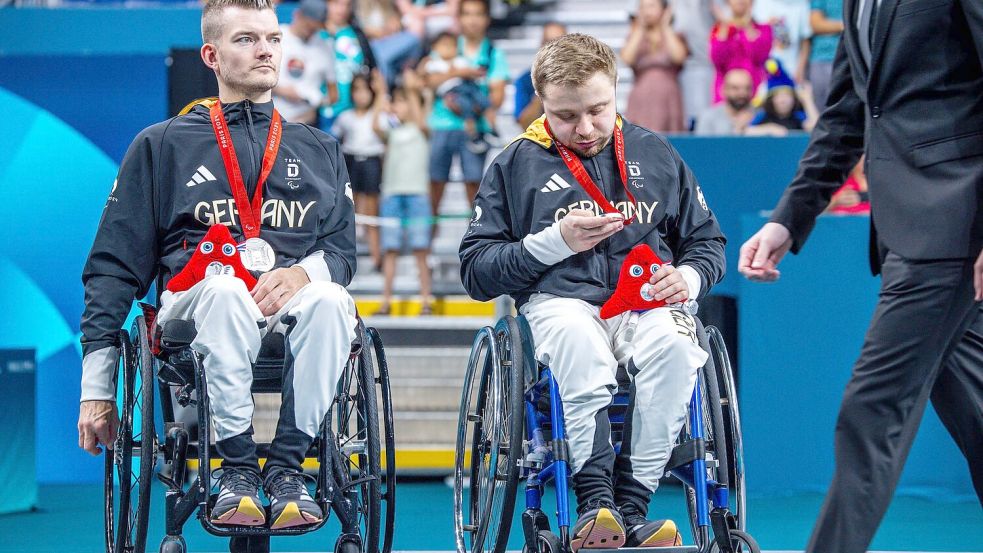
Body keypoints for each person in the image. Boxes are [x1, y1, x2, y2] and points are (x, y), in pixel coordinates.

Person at [77, 2, 358, 552]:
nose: (265, 51)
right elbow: (113, 267)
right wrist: (96, 389)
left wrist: (302, 273)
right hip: (194, 309)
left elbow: (342, 255)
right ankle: (235, 470)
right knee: (227, 288)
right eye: (246, 39)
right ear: (211, 55)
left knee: (330, 298)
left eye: (273, 39)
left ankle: (283, 469)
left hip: (287, 313)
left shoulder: (320, 148)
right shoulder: (161, 145)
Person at [460, 33, 726, 551]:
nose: (584, 128)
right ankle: (594, 501)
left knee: (677, 349)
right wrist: (550, 244)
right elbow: (476, 271)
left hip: (645, 302)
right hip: (561, 302)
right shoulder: (514, 166)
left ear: (616, 92)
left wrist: (690, 278)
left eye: (597, 110)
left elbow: (706, 242)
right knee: (581, 350)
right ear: (541, 104)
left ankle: (631, 507)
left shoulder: (656, 153)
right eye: (565, 116)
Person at [738, 1, 983, 551]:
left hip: (953, 221)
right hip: (909, 228)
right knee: (975, 411)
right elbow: (850, 112)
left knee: (870, 412)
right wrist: (788, 219)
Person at [426, 0, 508, 232]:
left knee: (473, 184)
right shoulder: (447, 43)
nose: (472, 20)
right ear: (459, 18)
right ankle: (429, 237)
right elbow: (428, 80)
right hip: (442, 126)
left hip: (474, 128)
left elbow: (498, 97)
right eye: (467, 14)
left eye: (478, 14)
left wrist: (471, 105)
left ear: (487, 19)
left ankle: (474, 237)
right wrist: (461, 73)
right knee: (435, 183)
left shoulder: (493, 53)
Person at [373, 69, 434, 315]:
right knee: (391, 249)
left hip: (418, 193)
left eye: (401, 102)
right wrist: (380, 96)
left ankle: (425, 299)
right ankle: (386, 299)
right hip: (392, 193)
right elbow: (374, 125)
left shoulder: (422, 129)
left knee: (421, 249)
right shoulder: (392, 132)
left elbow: (419, 116)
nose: (396, 106)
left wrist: (410, 90)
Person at [331, 72, 387, 270]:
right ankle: (346, 252)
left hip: (372, 161)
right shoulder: (345, 117)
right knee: (349, 207)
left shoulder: (379, 115)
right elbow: (335, 140)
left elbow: (383, 130)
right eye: (356, 90)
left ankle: (376, 257)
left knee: (371, 211)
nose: (361, 95)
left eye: (365, 90)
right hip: (351, 160)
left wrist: (381, 93)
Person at [622, 0, 688, 133]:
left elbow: (679, 57)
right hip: (641, 98)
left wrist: (665, 26)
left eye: (651, 6)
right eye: (642, 8)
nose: (647, 11)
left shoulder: (675, 35)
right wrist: (639, 28)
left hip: (668, 98)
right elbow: (627, 58)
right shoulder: (635, 36)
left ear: (664, 10)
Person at [421, 31, 491, 149]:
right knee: (465, 104)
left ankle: (491, 126)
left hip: (467, 87)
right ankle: (473, 132)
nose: (448, 48)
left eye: (452, 45)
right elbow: (429, 81)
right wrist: (456, 73)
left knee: (483, 100)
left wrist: (470, 73)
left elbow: (472, 72)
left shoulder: (460, 60)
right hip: (452, 93)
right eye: (444, 45)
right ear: (435, 48)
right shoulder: (433, 64)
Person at [272, 0, 338, 125]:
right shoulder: (276, 36)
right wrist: (279, 90)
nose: (311, 31)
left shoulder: (325, 48)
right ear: (297, 15)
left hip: (305, 122)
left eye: (315, 28)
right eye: (308, 25)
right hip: (271, 116)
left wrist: (316, 103)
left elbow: (333, 95)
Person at [320, 0, 377, 129]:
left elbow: (373, 68)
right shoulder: (317, 34)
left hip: (354, 112)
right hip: (325, 112)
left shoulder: (357, 34)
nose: (342, 10)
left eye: (347, 5)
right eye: (337, 4)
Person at [709, 0, 772, 103]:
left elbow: (759, 57)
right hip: (726, 97)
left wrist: (748, 26)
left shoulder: (764, 29)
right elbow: (717, 59)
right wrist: (725, 25)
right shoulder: (719, 29)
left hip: (754, 95)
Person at [514, 22, 567, 129]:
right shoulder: (525, 80)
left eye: (559, 43)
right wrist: (543, 89)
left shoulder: (584, 77)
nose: (554, 48)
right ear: (541, 46)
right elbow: (525, 125)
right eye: (548, 42)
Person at [745, 58, 818, 135]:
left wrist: (808, 100)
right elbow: (747, 131)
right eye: (778, 96)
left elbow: (815, 127)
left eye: (787, 96)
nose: (783, 100)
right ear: (771, 99)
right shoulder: (764, 115)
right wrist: (769, 128)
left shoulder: (797, 116)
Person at [751, 0, 812, 84]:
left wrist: (800, 70)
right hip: (763, 71)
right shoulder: (761, 2)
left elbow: (805, 41)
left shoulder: (801, 3)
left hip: (791, 70)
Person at [693, 67, 754, 135]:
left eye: (747, 88)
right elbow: (701, 144)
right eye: (735, 88)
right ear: (723, 90)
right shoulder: (709, 118)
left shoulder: (758, 115)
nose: (742, 93)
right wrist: (737, 130)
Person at [807, 0, 843, 109]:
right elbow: (816, 24)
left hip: (850, 59)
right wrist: (846, 25)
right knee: (821, 109)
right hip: (823, 59)